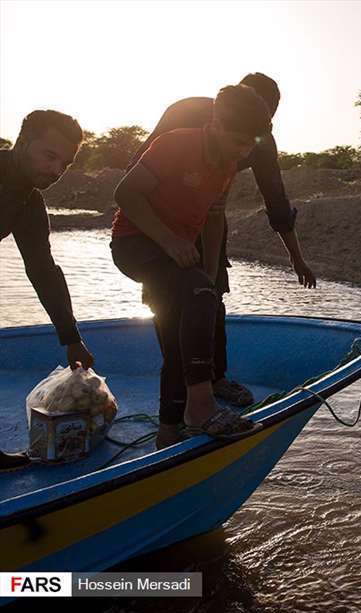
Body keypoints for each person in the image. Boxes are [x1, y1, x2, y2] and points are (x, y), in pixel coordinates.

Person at [129, 72, 315, 411]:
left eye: (259, 126)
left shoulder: (260, 140)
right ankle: (180, 388)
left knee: (211, 293)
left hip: (209, 217)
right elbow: (134, 176)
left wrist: (296, 259)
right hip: (161, 220)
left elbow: (275, 201)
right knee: (165, 299)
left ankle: (214, 378)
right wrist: (167, 237)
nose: (246, 143)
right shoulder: (184, 114)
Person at [111, 85, 269, 447]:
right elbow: (125, 193)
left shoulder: (228, 165)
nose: (243, 152)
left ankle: (168, 432)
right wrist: (169, 241)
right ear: (216, 124)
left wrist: (210, 274)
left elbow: (214, 219)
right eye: (238, 141)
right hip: (135, 244)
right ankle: (201, 407)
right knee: (195, 292)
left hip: (175, 256)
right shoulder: (175, 144)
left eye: (250, 145)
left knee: (177, 330)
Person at [1, 110, 96, 472]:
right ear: (23, 144)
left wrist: (71, 337)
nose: (57, 170)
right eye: (49, 156)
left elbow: (42, 269)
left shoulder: (27, 201)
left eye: (65, 164)